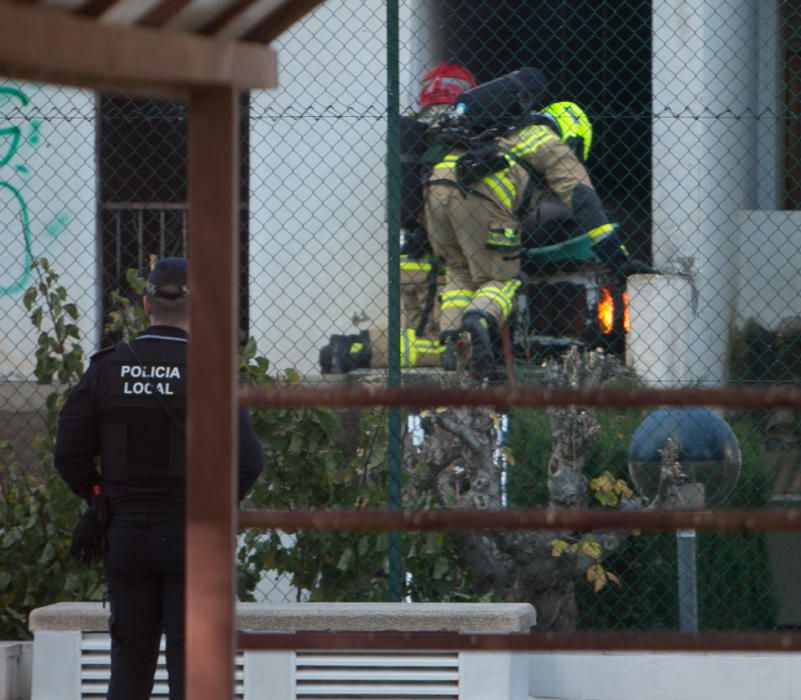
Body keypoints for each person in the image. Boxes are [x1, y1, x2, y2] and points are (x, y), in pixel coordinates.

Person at [53, 257, 264, 700]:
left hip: (125, 534)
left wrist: (98, 493)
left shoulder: (106, 368)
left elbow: (69, 454)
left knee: (129, 664)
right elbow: (247, 464)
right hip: (192, 536)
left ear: (146, 304)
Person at [423, 84, 634, 380]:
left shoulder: (498, 129)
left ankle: (452, 348)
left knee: (460, 271)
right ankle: (478, 322)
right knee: (500, 278)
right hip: (480, 194)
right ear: (573, 133)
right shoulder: (547, 140)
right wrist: (617, 257)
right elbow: (582, 199)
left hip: (436, 190)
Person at [319, 62, 477, 374]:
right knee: (441, 344)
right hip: (441, 262)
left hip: (408, 259)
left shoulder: (414, 130)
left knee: (418, 332)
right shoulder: (464, 133)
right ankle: (358, 350)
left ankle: (355, 348)